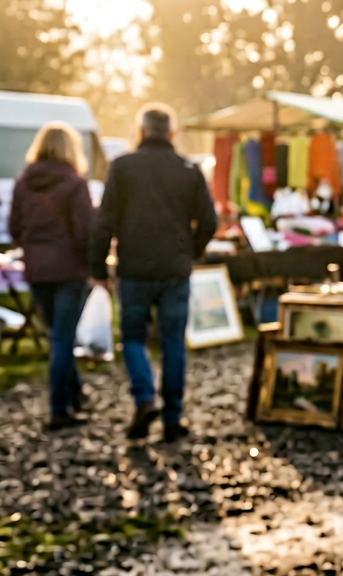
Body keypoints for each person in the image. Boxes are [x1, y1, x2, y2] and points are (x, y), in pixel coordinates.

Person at [91, 104, 217, 442]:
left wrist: (98, 266)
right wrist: (191, 251)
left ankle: (145, 398)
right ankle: (173, 418)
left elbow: (104, 221)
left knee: (133, 337)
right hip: (175, 268)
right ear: (172, 134)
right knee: (173, 341)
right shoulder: (189, 170)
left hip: (134, 267)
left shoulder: (122, 167)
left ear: (142, 130)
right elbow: (209, 222)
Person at [8, 122, 93, 430]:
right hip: (70, 268)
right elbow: (85, 230)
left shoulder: (23, 183)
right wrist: (93, 263)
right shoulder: (75, 183)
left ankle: (76, 392)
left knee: (56, 335)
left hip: (37, 269)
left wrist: (32, 249)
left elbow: (15, 227)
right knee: (63, 337)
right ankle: (59, 408)